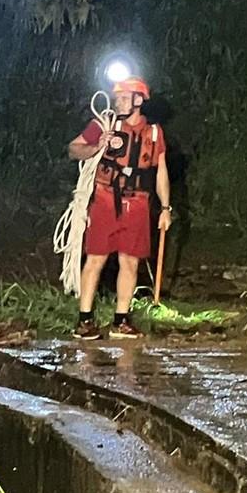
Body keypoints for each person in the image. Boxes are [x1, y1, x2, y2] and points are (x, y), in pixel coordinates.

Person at [67, 76, 173, 339]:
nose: (118, 102)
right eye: (118, 97)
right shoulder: (105, 123)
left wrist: (165, 208)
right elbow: (73, 149)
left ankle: (121, 320)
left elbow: (161, 172)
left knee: (130, 263)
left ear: (138, 101)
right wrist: (96, 146)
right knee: (96, 259)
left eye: (124, 98)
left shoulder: (154, 133)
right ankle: (84, 320)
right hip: (105, 199)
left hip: (138, 203)